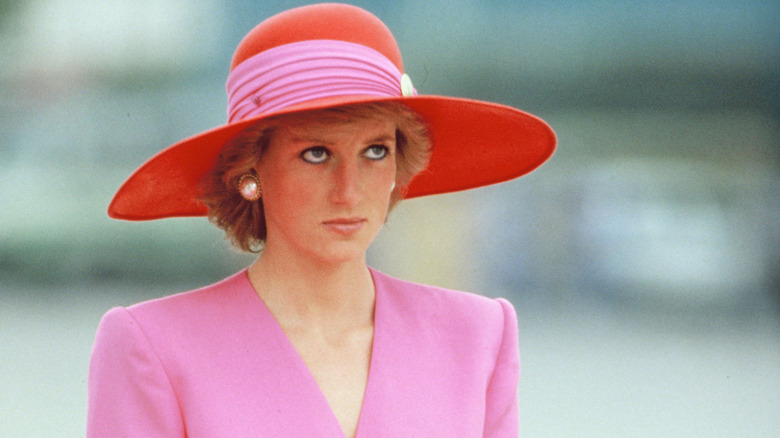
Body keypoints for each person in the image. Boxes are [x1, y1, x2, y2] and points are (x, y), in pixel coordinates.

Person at [87, 3, 555, 437]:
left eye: (375, 151)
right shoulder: (153, 347)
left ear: (399, 166)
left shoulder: (477, 336)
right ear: (250, 168)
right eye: (315, 153)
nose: (348, 190)